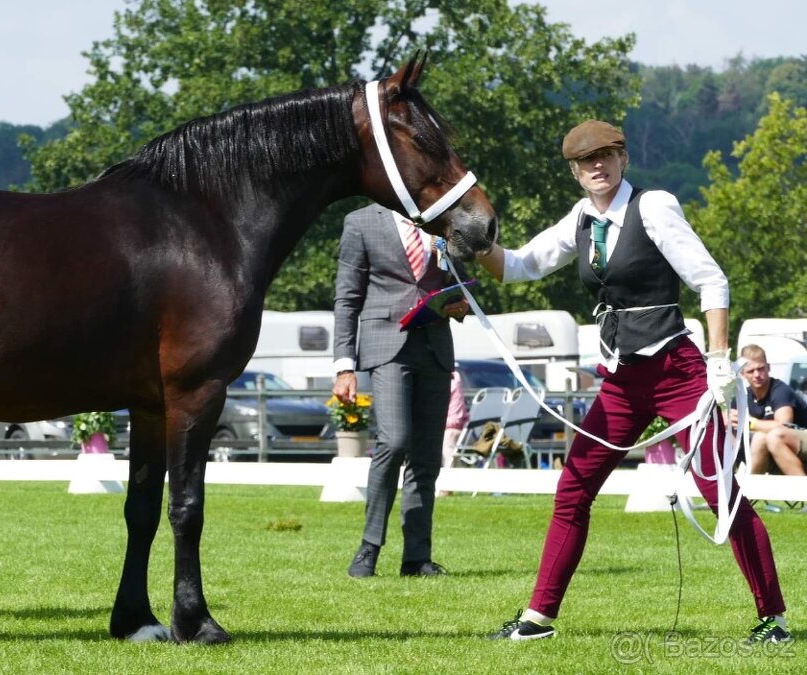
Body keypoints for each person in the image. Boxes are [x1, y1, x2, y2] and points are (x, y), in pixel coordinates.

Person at [478, 120, 789, 643]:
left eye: (606, 155)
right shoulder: (580, 219)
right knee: (572, 489)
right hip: (621, 381)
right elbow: (516, 267)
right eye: (586, 160)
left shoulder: (654, 206)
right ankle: (537, 619)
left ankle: (772, 619)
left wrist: (718, 360)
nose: (597, 165)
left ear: (623, 159)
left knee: (720, 493)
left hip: (677, 373)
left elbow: (711, 280)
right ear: (575, 172)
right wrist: (466, 243)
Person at [333, 203, 470, 578]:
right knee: (393, 441)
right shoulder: (361, 221)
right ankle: (369, 547)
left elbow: (459, 282)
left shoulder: (442, 221)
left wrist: (459, 303)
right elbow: (347, 297)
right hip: (385, 345)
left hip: (435, 348)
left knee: (426, 459)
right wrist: (344, 365)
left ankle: (417, 558)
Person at [733, 344, 807, 476]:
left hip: (798, 442)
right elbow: (730, 424)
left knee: (774, 436)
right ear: (742, 373)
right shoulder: (742, 397)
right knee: (758, 438)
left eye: (761, 368)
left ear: (768, 367)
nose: (757, 375)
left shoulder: (780, 391)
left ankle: (802, 487)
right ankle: (743, 486)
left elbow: (783, 426)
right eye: (751, 371)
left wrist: (749, 423)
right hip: (775, 451)